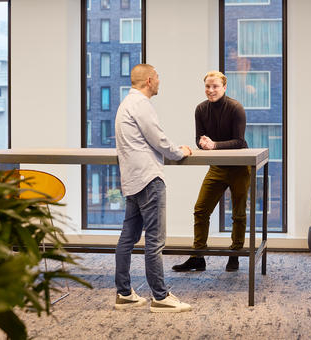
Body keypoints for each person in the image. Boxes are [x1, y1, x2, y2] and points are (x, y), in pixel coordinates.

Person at [114, 63, 192, 313]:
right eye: (157, 77)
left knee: (128, 238)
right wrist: (181, 152)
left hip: (133, 180)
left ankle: (124, 293)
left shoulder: (126, 104)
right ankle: (160, 296)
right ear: (149, 80)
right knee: (155, 242)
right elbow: (158, 139)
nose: (159, 81)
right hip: (148, 180)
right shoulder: (141, 105)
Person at [172, 70, 250, 273]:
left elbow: (239, 142)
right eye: (207, 86)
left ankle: (235, 255)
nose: (211, 90)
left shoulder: (236, 108)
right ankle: (198, 256)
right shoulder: (200, 109)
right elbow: (199, 137)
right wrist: (203, 143)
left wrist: (214, 145)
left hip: (240, 167)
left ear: (224, 87)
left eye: (215, 86)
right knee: (201, 209)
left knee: (238, 214)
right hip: (217, 166)